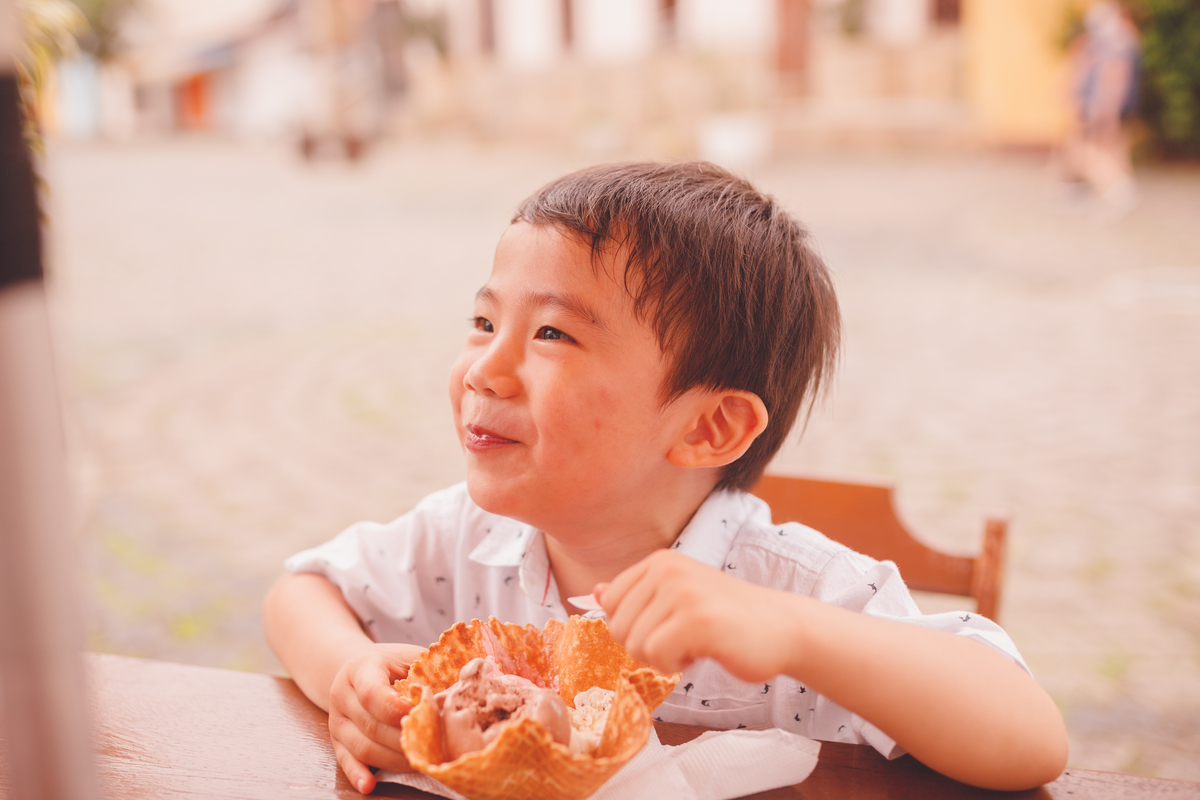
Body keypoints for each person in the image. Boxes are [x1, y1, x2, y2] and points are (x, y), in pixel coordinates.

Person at [263, 162, 1069, 794]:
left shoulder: (786, 595)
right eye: (483, 322)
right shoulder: (468, 542)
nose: (485, 369)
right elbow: (300, 590)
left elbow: (1031, 737)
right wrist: (346, 673)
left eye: (550, 333)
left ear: (707, 427)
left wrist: (795, 632)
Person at [1057, 0, 1141, 215]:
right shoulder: (1105, 44)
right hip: (1102, 108)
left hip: (1104, 110)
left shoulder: (1119, 45)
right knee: (1107, 152)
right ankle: (1104, 192)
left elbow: (1113, 80)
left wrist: (1105, 111)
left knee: (1095, 152)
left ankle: (1117, 192)